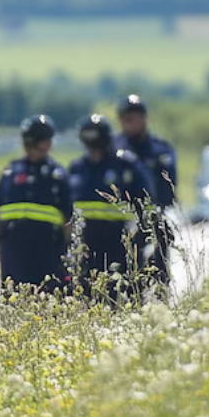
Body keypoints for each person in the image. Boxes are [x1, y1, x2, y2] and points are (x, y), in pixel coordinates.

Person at [68, 114, 154, 291]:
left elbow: (147, 204)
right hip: (87, 243)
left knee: (124, 294)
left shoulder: (126, 165)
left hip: (121, 241)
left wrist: (140, 239)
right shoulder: (78, 168)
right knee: (88, 295)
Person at [0, 114, 72, 291]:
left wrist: (66, 250)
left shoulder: (57, 175)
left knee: (49, 298)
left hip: (47, 250)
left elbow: (69, 217)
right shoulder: (11, 171)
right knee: (14, 298)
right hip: (13, 249)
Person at [114, 94, 178, 284]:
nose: (131, 123)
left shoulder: (160, 149)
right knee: (127, 274)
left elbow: (169, 184)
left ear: (144, 118)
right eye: (126, 119)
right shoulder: (114, 149)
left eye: (135, 118)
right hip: (123, 220)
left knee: (159, 271)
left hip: (154, 215)